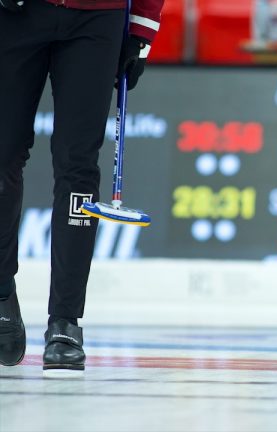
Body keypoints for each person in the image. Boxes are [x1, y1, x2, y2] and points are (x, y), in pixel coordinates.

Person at [0, 0, 163, 376]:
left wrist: (141, 27)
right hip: (17, 13)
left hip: (96, 15)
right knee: (2, 156)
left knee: (79, 165)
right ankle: (2, 289)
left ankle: (65, 321)